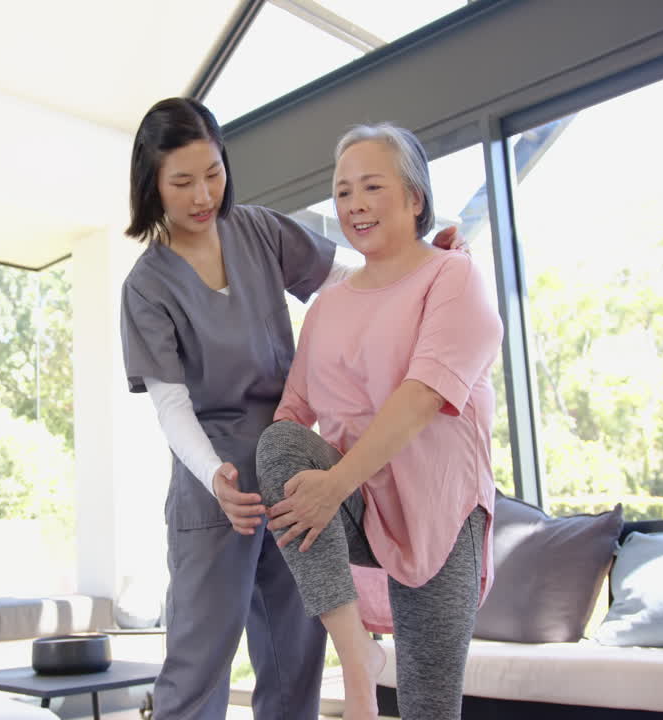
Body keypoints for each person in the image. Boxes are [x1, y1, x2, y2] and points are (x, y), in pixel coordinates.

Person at [119, 99, 462, 720]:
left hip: (292, 473)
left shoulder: (257, 230)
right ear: (152, 185)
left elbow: (350, 279)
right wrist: (214, 478)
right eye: (182, 182)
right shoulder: (147, 285)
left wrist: (423, 261)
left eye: (213, 173)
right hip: (218, 487)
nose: (203, 195)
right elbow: (170, 405)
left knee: (294, 659)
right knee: (199, 665)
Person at [256, 123, 503, 720]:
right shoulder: (328, 306)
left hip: (441, 513)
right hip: (360, 506)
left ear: (415, 198)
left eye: (372, 187)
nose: (354, 205)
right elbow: (293, 415)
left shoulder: (454, 277)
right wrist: (241, 482)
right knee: (279, 444)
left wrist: (333, 485)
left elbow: (423, 396)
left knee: (427, 707)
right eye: (343, 192)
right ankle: (356, 660)